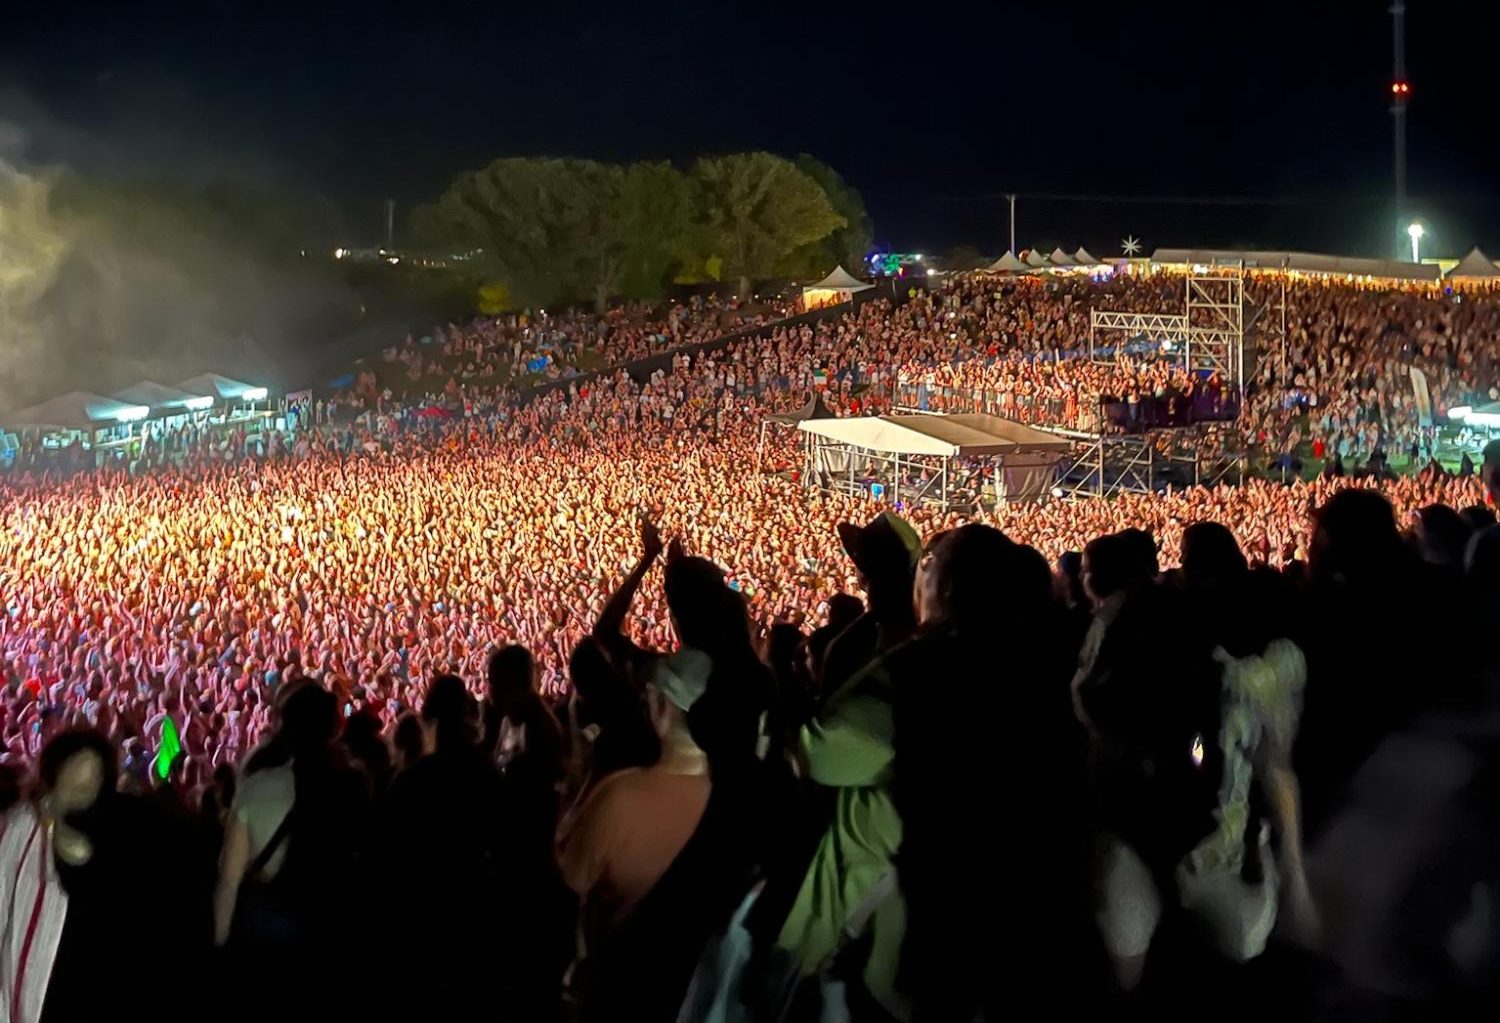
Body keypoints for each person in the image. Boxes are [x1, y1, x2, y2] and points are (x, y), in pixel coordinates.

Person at [559, 650, 722, 1020]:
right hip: (697, 994)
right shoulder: (743, 800)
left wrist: (580, 774)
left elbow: (569, 880)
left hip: (625, 988)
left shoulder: (620, 797)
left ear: (663, 710)